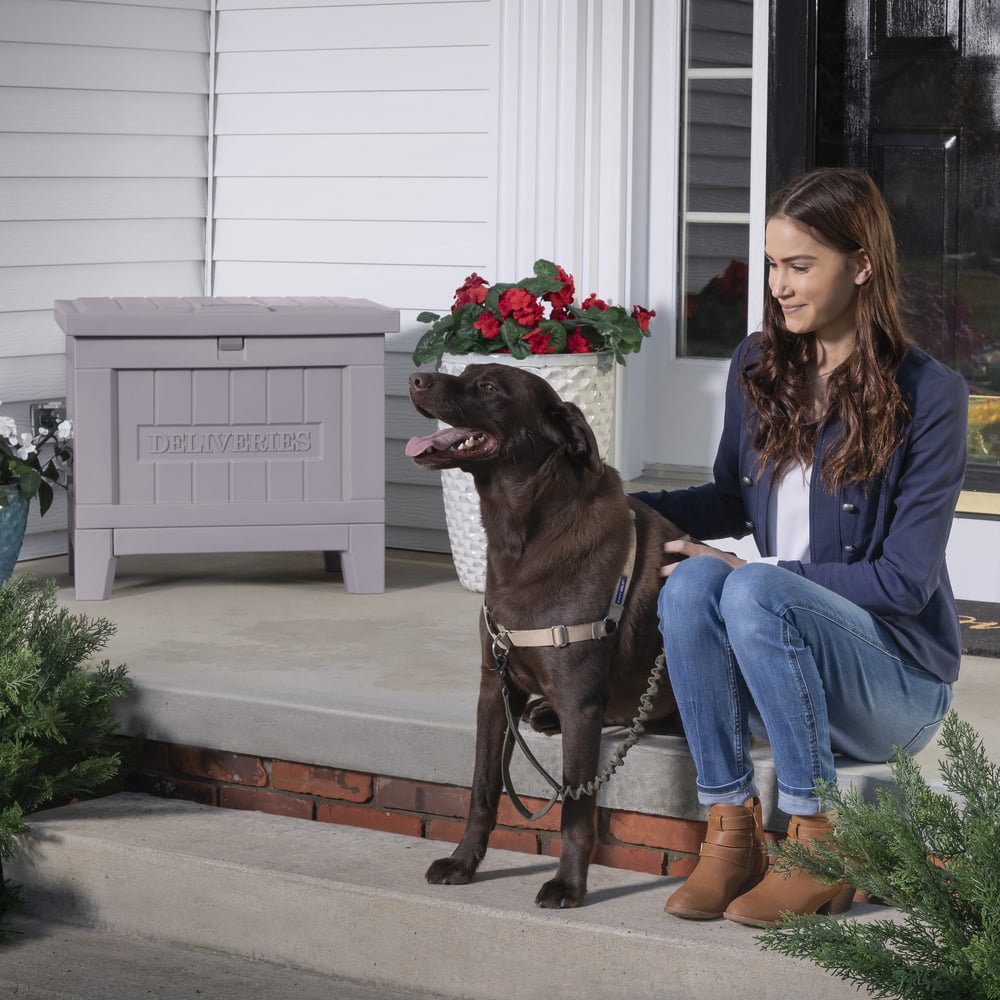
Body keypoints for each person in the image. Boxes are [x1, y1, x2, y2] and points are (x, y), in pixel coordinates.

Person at [634, 167, 968, 928]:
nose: (780, 286)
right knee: (690, 587)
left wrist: (756, 571)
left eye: (801, 266)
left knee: (746, 586)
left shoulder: (929, 394)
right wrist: (614, 502)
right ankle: (731, 831)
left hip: (893, 684)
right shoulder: (759, 363)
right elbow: (727, 499)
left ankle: (818, 841)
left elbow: (904, 582)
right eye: (774, 265)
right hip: (777, 662)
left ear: (861, 265)